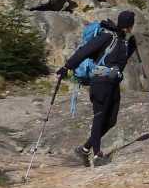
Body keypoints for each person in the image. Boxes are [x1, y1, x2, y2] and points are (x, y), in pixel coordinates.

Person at [57, 10, 138, 166]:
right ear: (129, 25)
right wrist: (67, 67)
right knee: (99, 117)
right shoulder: (108, 37)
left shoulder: (122, 42)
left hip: (113, 84)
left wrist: (131, 50)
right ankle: (97, 155)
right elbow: (85, 51)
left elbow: (119, 64)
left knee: (111, 120)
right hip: (100, 83)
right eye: (132, 24)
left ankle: (85, 149)